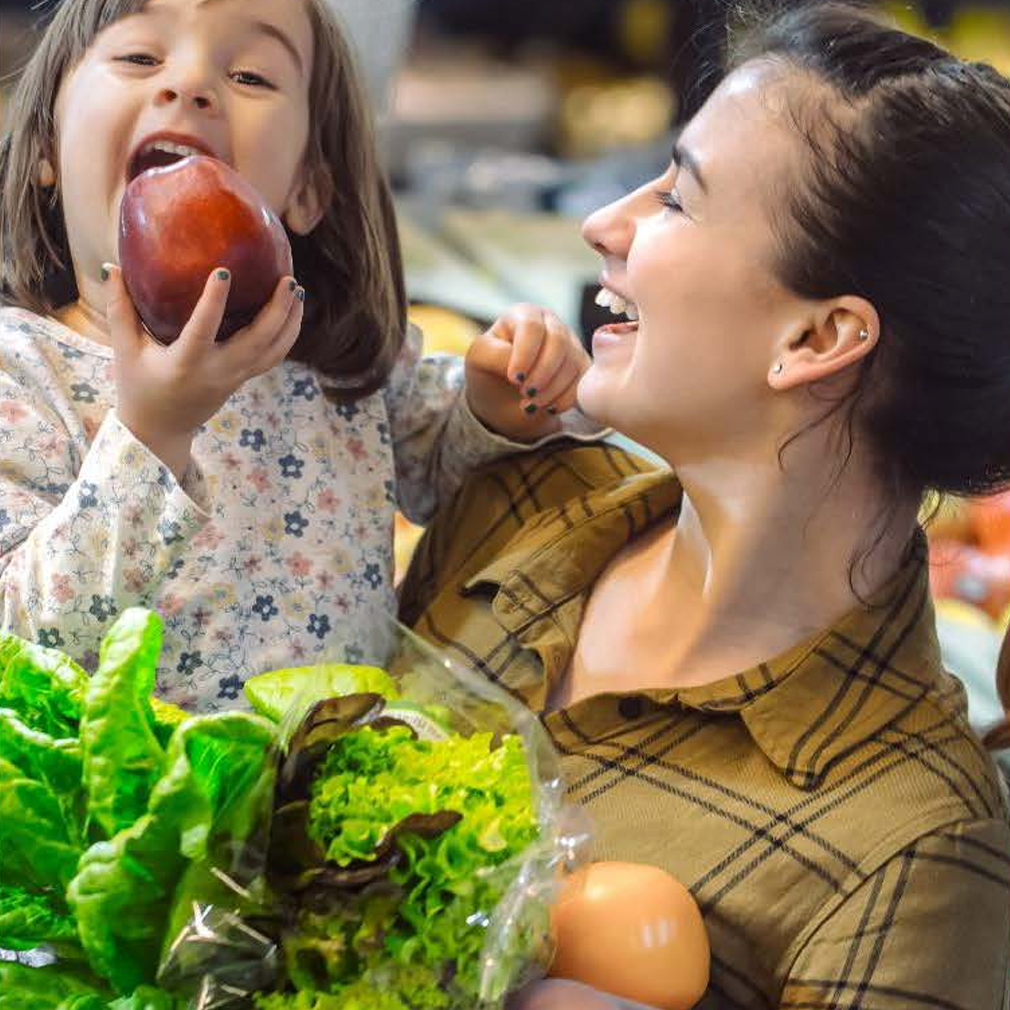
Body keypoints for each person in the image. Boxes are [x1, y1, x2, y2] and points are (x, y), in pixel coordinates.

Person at [399, 4, 1010, 1007]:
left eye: (676, 200)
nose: (605, 224)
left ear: (816, 340)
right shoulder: (516, 503)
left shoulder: (913, 854)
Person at [0, 0, 597, 710]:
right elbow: (21, 641)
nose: (189, 84)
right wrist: (152, 435)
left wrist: (499, 402)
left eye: (251, 75)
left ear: (309, 187)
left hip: (341, 768)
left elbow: (458, 479)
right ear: (46, 149)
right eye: (139, 58)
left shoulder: (345, 368)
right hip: (123, 784)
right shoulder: (20, 374)